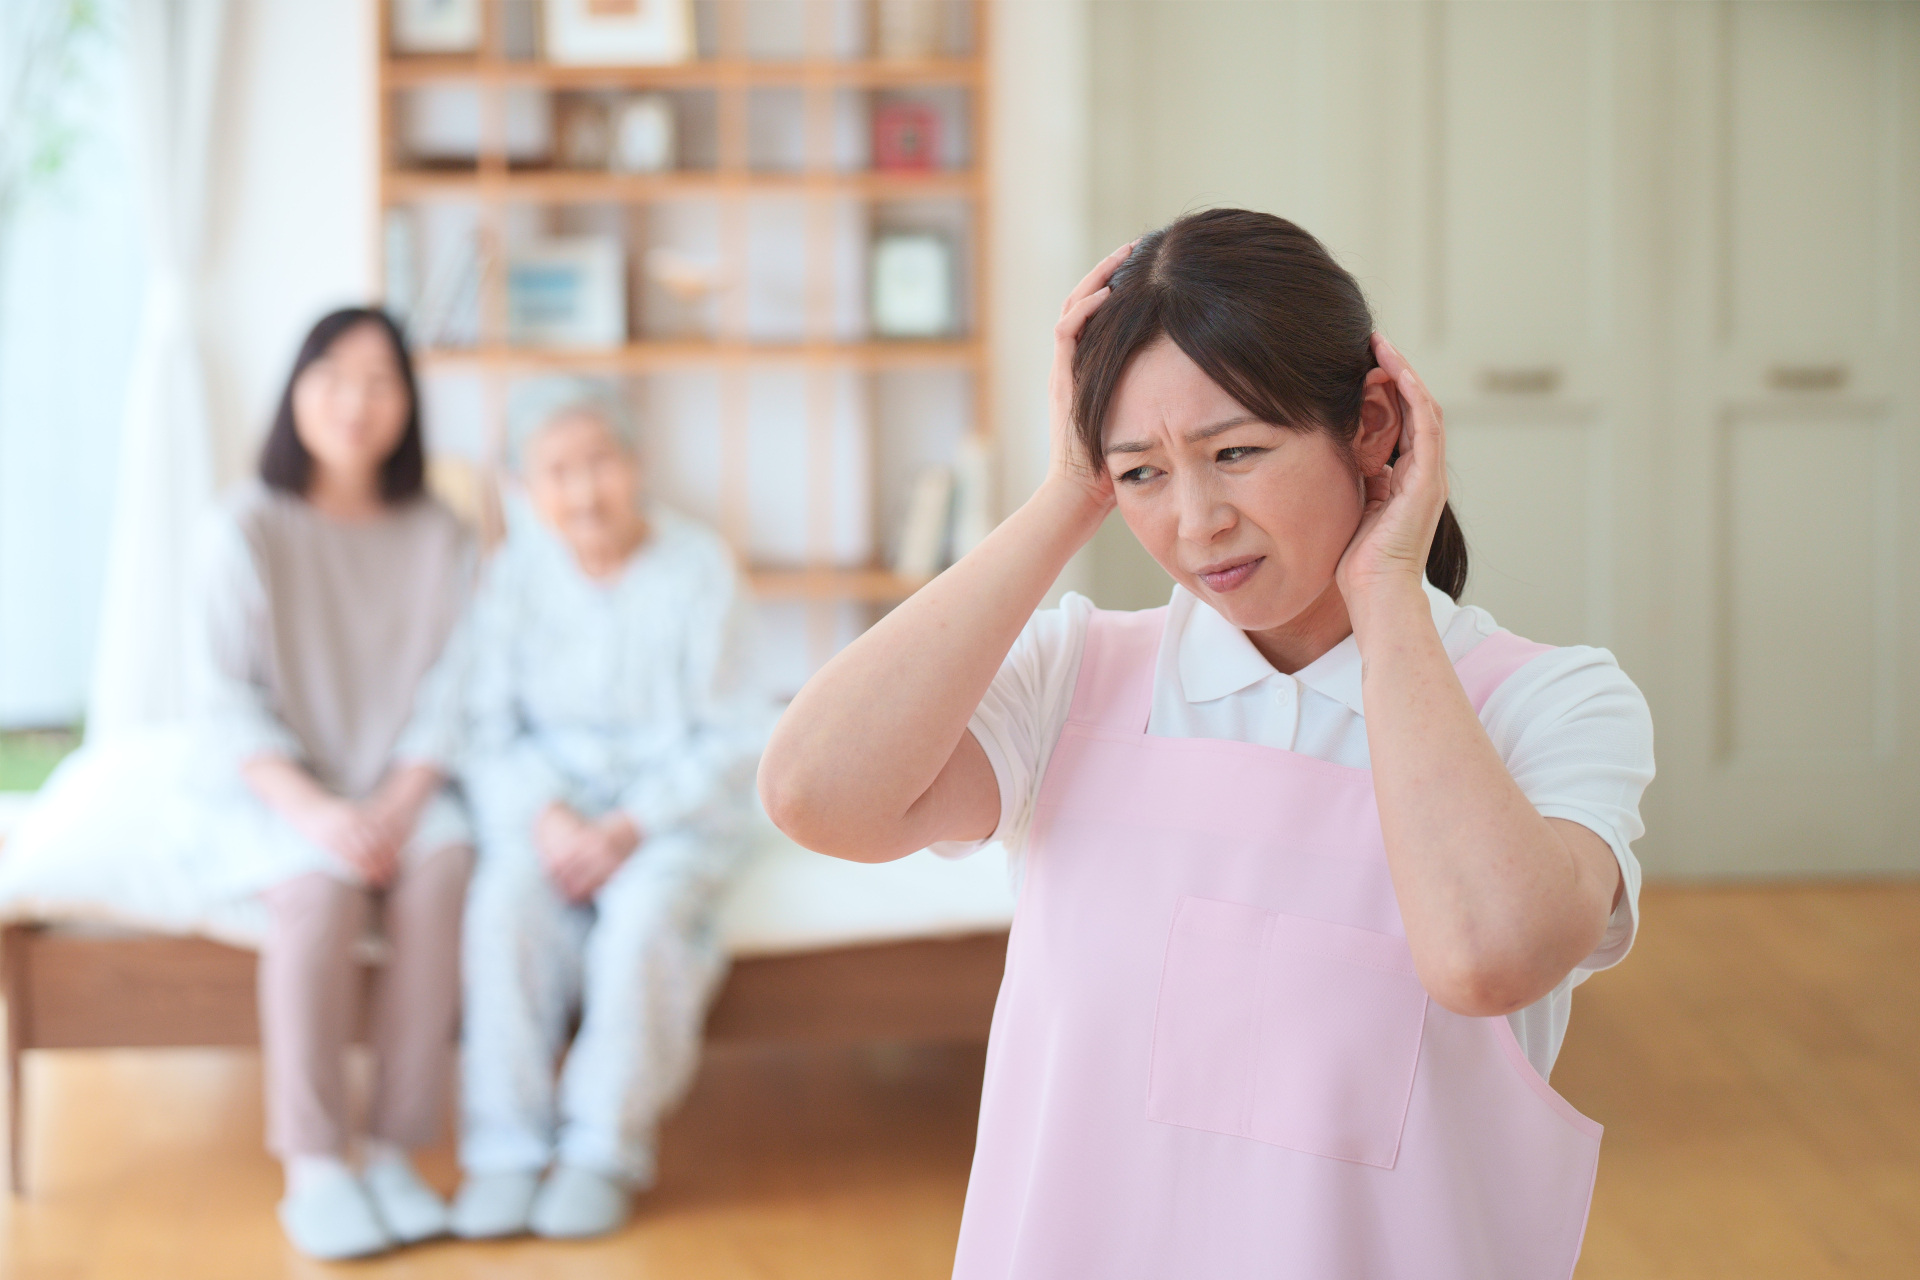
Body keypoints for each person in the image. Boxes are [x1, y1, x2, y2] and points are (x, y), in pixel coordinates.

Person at [758, 210, 1655, 1278]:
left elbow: (1483, 956)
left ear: (1372, 423)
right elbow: (815, 792)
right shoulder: (1070, 678)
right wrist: (1066, 492)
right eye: (1142, 473)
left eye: (1236, 453)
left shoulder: (1549, 703)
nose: (1196, 520)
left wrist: (1386, 595)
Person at [450, 381, 769, 1241]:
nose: (585, 491)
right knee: (504, 910)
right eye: (558, 472)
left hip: (667, 815)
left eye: (601, 463)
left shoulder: (701, 568)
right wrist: (550, 820)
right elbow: (485, 732)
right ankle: (506, 1149)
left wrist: (628, 828)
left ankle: (603, 1148)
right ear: (523, 490)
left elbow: (736, 735)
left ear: (637, 466)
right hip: (550, 814)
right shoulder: (513, 578)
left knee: (643, 924)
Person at [188, 308, 476, 1260]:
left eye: (381, 380)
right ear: (295, 391)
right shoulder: (242, 526)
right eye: (333, 377)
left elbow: (455, 690)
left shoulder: (443, 532)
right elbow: (225, 703)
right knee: (318, 888)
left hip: (406, 782)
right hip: (282, 788)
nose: (356, 402)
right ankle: (314, 1164)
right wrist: (321, 814)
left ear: (409, 403)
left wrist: (392, 807)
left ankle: (395, 1147)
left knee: (442, 874)